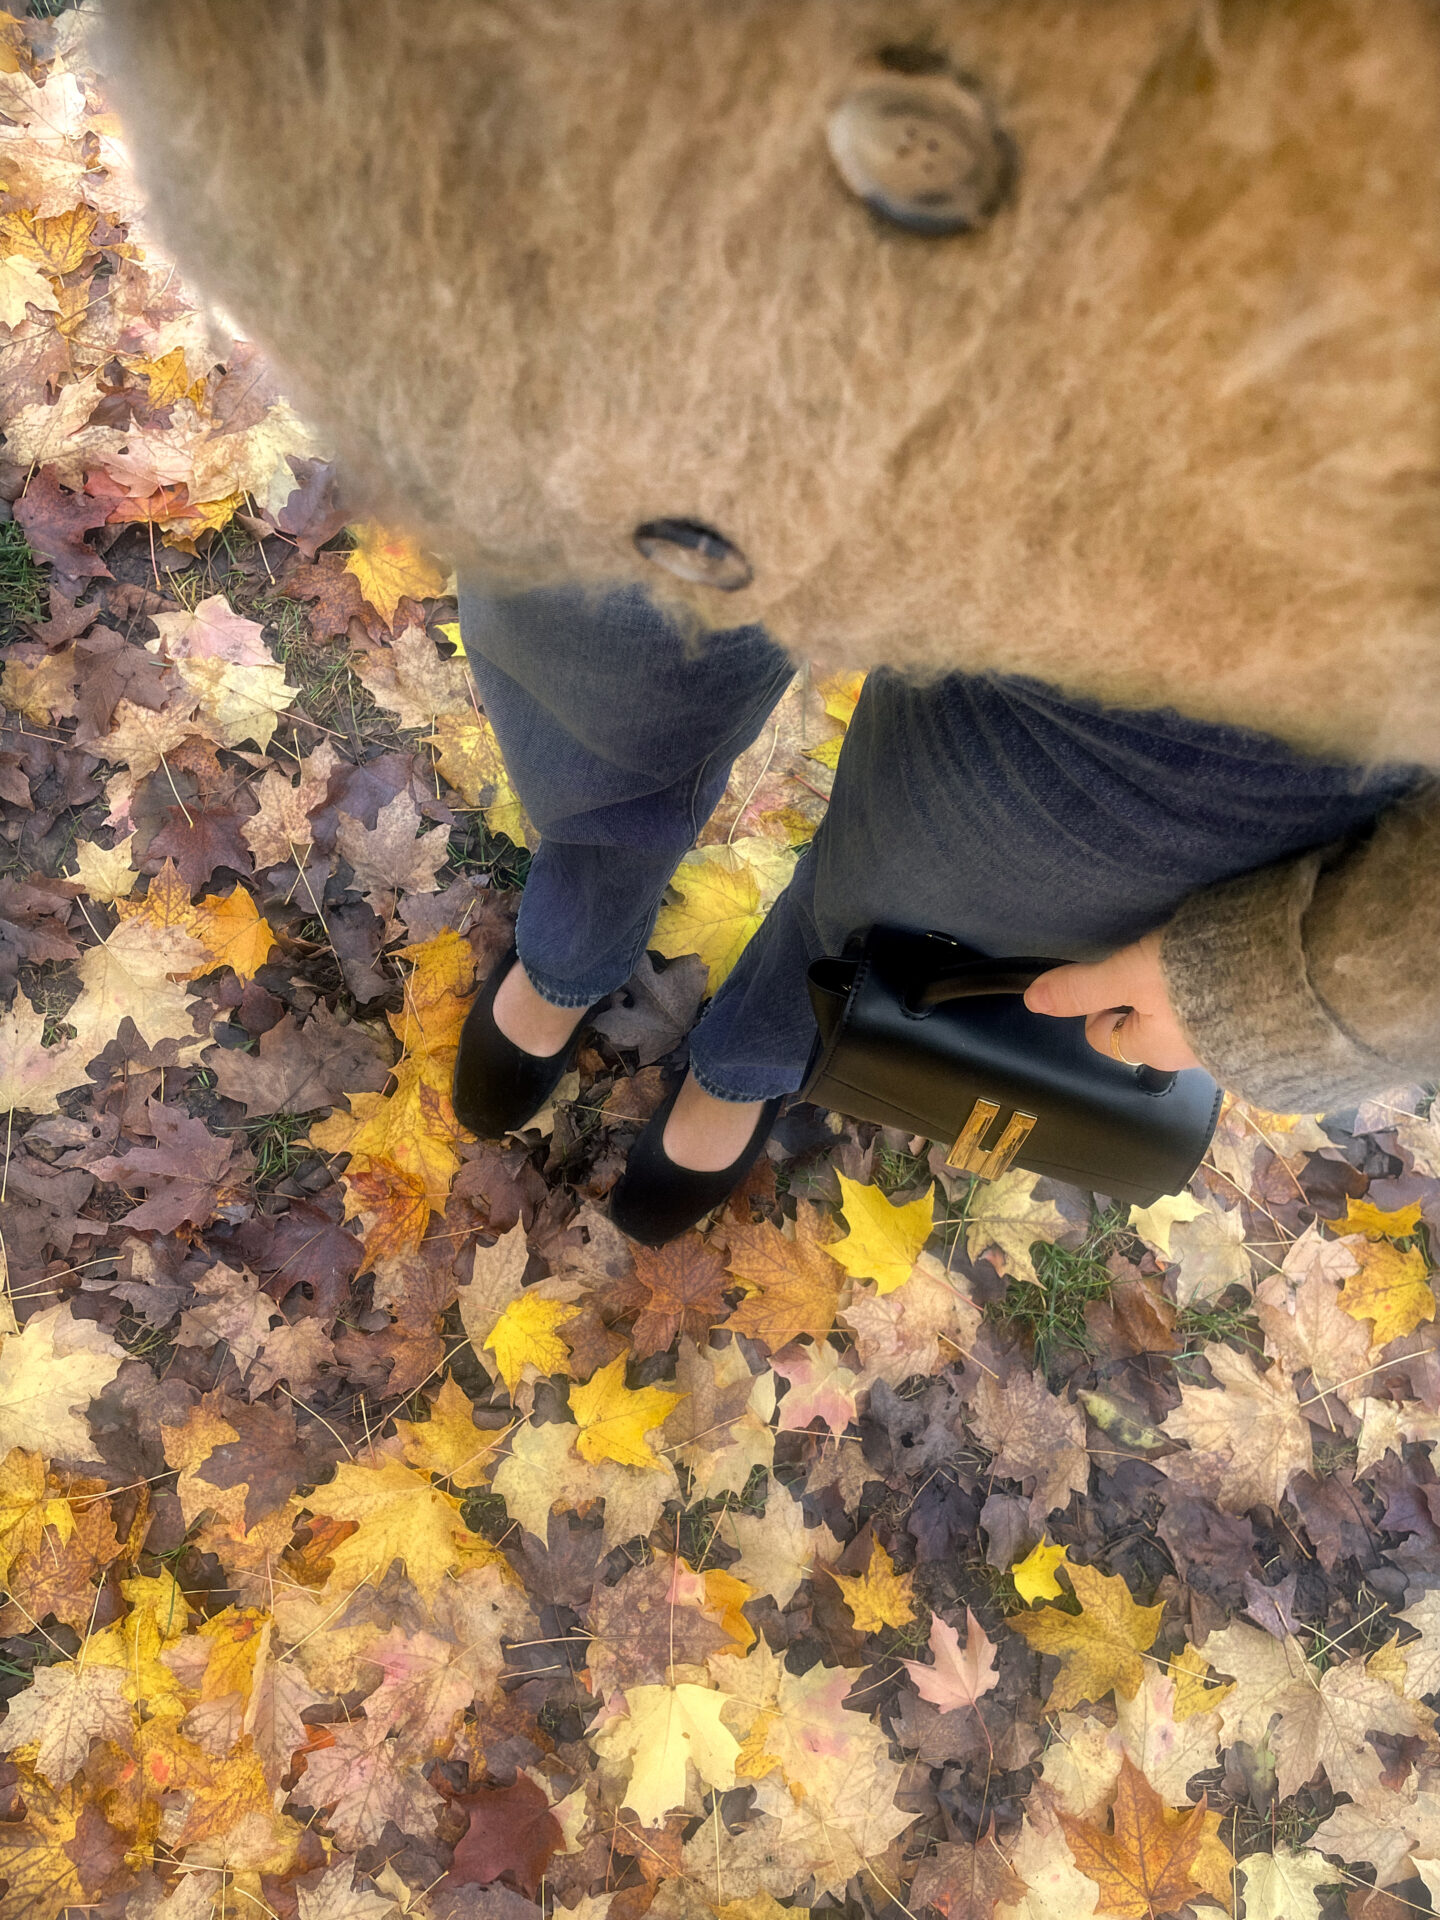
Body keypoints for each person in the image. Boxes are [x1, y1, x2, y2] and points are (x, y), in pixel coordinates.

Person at [104, 1, 1440, 1242]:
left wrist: (1332, 985)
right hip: (573, 280)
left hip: (1273, 593)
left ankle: (751, 1057)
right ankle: (570, 950)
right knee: (596, 744)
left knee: (908, 942)